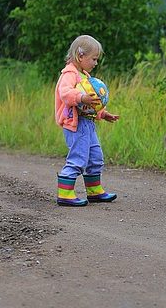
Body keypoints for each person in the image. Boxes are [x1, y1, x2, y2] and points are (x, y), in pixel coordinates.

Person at [54, 35, 120, 206]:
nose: (95, 63)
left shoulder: (84, 75)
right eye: (94, 59)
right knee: (78, 158)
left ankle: (94, 190)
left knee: (96, 157)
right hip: (75, 125)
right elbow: (65, 93)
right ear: (80, 55)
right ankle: (65, 193)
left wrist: (102, 113)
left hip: (88, 124)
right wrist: (81, 97)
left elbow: (90, 105)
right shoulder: (69, 73)